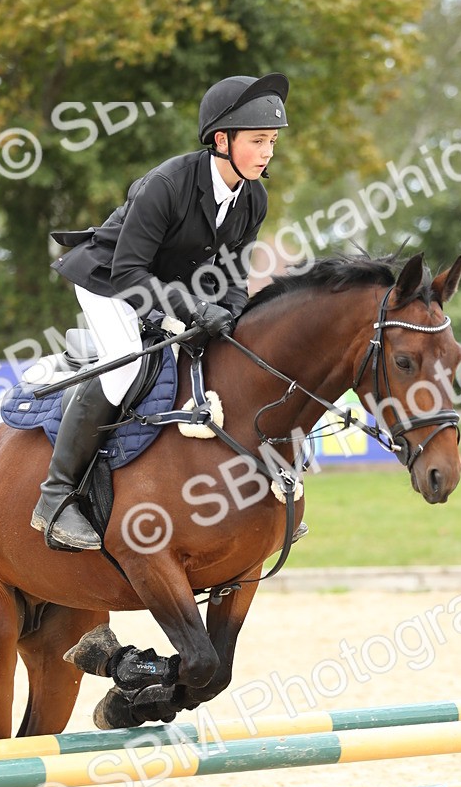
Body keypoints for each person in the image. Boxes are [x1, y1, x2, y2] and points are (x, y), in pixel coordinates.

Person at [31, 72, 289, 552]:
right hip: (108, 281)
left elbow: (233, 276)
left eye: (271, 141)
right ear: (221, 140)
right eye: (258, 141)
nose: (268, 151)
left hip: (164, 287)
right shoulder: (167, 184)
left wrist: (229, 318)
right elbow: (129, 272)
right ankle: (56, 495)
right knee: (128, 366)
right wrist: (193, 309)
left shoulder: (253, 197)